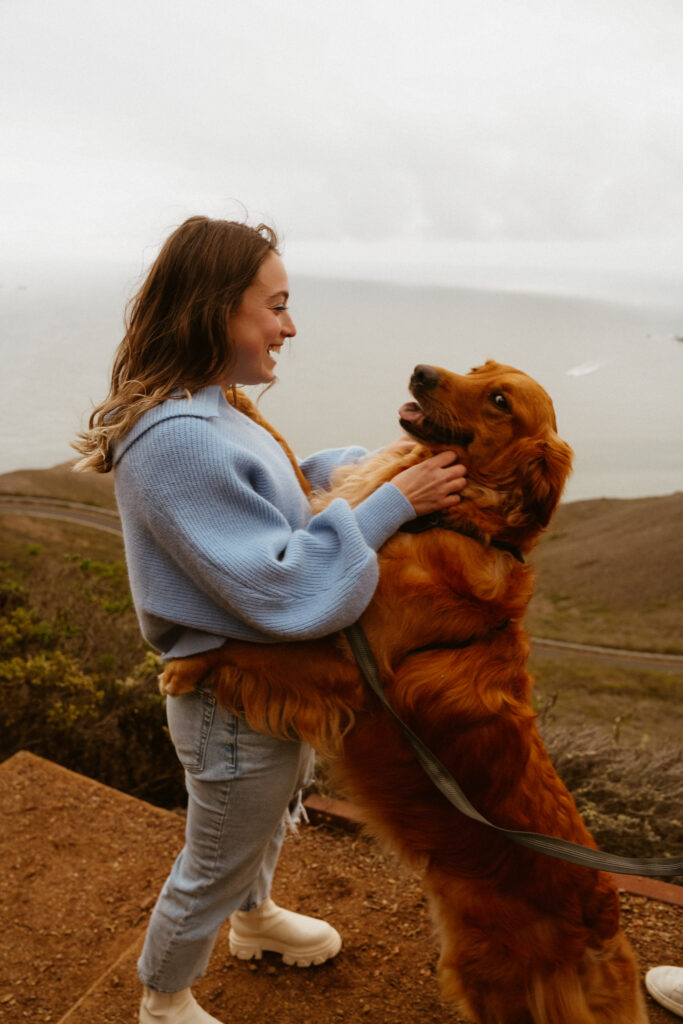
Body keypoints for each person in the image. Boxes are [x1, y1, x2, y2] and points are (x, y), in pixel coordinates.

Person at [74, 215, 467, 1024]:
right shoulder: (178, 439)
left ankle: (253, 923)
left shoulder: (213, 405)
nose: (289, 325)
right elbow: (282, 587)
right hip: (228, 696)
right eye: (275, 306)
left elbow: (275, 488)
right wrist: (395, 503)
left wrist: (361, 469)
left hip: (264, 690)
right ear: (217, 308)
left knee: (268, 814)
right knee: (217, 852)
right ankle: (164, 996)